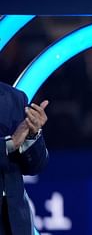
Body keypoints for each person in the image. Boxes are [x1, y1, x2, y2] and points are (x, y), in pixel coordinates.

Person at [0, 81, 49, 235]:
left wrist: (33, 135)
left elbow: (36, 166)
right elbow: (13, 143)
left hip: (15, 223)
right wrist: (9, 144)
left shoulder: (16, 98)